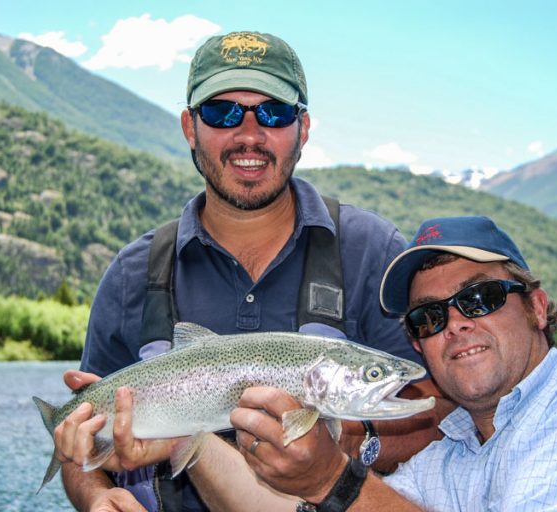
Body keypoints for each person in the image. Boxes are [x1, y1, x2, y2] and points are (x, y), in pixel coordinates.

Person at [53, 31, 454, 512]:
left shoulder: (375, 251)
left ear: (302, 129)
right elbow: (79, 447)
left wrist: (342, 444)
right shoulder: (130, 274)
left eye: (274, 113)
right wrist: (97, 498)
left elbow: (438, 410)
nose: (249, 135)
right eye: (222, 112)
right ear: (189, 127)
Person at [223, 215, 557, 511]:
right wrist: (190, 441)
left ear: (538, 308)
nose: (455, 324)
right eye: (429, 316)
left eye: (480, 297)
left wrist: (331, 480)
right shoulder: (445, 459)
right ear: (418, 347)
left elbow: (349, 496)